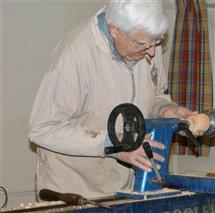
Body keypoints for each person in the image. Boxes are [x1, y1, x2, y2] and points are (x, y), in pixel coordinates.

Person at [29, 0, 198, 199]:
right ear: (114, 29)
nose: (152, 52)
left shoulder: (147, 42)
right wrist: (114, 146)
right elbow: (42, 129)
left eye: (157, 41)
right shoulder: (75, 52)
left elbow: (153, 96)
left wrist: (166, 109)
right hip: (73, 191)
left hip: (122, 187)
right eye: (142, 44)